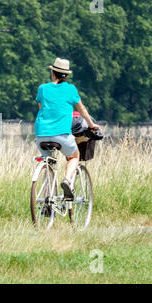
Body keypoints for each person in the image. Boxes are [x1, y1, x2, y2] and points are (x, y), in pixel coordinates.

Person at [35, 58, 99, 200]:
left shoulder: (43, 89)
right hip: (61, 135)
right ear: (67, 75)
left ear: (53, 73)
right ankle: (67, 181)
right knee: (74, 156)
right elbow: (81, 109)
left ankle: (47, 200)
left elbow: (42, 109)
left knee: (47, 162)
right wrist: (91, 125)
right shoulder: (70, 89)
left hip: (41, 136)